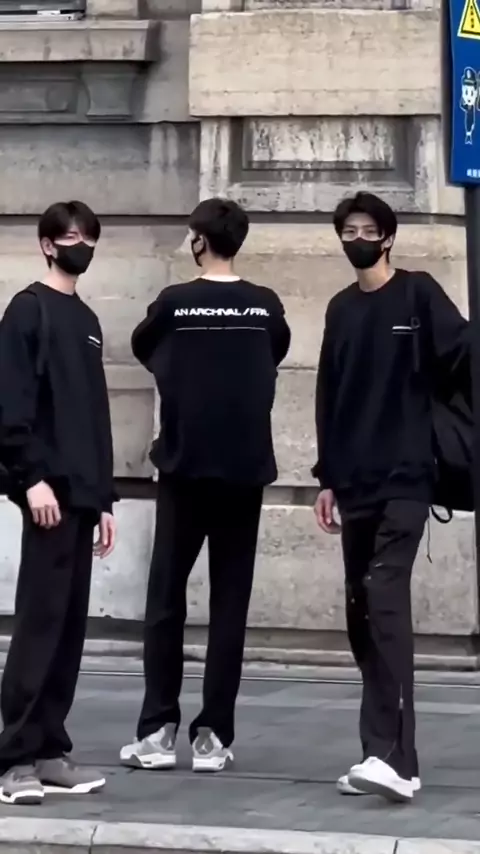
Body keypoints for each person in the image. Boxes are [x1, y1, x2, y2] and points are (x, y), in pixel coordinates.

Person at [121, 197, 290, 773]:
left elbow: (145, 348)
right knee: (230, 603)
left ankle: (157, 730)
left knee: (165, 600)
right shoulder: (265, 306)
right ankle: (212, 735)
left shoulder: (174, 303)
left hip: (185, 467)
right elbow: (276, 352)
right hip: (244, 470)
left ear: (199, 240)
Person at [313, 192, 470, 803]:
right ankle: (380, 754)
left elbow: (462, 356)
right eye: (348, 230)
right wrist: (327, 477)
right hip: (355, 482)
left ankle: (394, 758)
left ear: (388, 236)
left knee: (383, 596)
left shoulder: (418, 293)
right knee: (361, 612)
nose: (358, 238)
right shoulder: (340, 308)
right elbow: (329, 393)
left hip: (407, 477)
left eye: (368, 229)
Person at [0, 201, 117, 805]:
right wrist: (30, 480)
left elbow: (94, 415)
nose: (82, 246)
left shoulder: (88, 318)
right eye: (71, 237)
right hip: (45, 494)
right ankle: (14, 759)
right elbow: (11, 403)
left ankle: (49, 749)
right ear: (47, 244)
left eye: (89, 237)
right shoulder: (28, 309)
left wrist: (105, 500)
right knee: (40, 623)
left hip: (81, 497)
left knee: (69, 629)